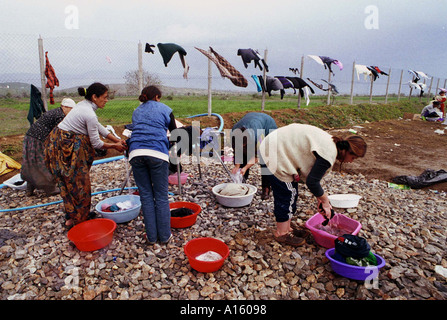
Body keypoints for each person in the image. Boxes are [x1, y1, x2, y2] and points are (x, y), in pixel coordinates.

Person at [259, 123, 367, 246]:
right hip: (274, 151)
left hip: (278, 147)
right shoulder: (328, 154)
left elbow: (312, 178)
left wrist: (319, 199)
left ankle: (287, 228)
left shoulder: (331, 145)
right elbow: (312, 182)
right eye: (352, 158)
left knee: (292, 193)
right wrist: (325, 200)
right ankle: (281, 233)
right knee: (286, 195)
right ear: (347, 151)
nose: (350, 162)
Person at [45, 83, 127, 228]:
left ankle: (72, 217)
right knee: (79, 183)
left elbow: (98, 126)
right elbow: (96, 143)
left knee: (69, 181)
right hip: (66, 146)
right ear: (94, 97)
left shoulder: (83, 106)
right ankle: (79, 220)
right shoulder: (88, 113)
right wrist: (115, 146)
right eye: (104, 97)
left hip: (58, 141)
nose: (106, 100)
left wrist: (116, 139)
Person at [127, 85, 177, 245]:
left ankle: (151, 237)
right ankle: (164, 237)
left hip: (135, 153)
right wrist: (166, 147)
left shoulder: (137, 111)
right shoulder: (166, 109)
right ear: (156, 97)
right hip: (157, 154)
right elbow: (175, 134)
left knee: (146, 195)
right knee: (161, 196)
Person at [22, 98, 76, 196]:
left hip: (30, 137)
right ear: (64, 107)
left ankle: (30, 189)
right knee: (43, 162)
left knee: (32, 162)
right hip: (38, 139)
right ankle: (50, 188)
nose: (71, 112)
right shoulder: (60, 115)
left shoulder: (56, 112)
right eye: (70, 109)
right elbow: (60, 133)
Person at [230, 112, 277, 199]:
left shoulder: (256, 136)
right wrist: (237, 167)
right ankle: (242, 182)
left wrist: (245, 168)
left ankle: (266, 188)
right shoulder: (234, 132)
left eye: (243, 146)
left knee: (266, 160)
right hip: (252, 120)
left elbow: (254, 158)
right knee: (243, 156)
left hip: (268, 127)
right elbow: (238, 152)